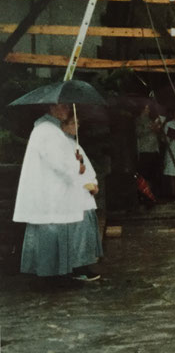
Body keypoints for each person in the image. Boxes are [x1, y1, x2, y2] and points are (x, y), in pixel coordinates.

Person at [12, 104, 96, 284]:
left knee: (56, 231)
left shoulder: (52, 130)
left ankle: (58, 273)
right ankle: (50, 277)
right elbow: (58, 162)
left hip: (54, 192)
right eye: (63, 107)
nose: (67, 111)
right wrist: (77, 167)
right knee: (50, 233)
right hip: (50, 194)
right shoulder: (47, 131)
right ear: (52, 108)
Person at [61, 116, 103, 281]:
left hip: (85, 193)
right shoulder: (61, 144)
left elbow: (88, 168)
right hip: (73, 195)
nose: (77, 125)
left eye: (78, 122)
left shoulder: (74, 143)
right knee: (77, 232)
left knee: (85, 231)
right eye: (73, 123)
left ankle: (84, 264)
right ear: (64, 125)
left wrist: (93, 182)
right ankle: (77, 267)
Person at [135, 104, 162, 199]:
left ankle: (153, 195)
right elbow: (138, 132)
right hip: (145, 151)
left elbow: (157, 133)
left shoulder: (151, 120)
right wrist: (149, 128)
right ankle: (144, 196)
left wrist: (157, 129)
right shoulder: (138, 120)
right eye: (147, 108)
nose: (149, 111)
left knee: (153, 175)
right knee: (144, 175)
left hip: (154, 150)